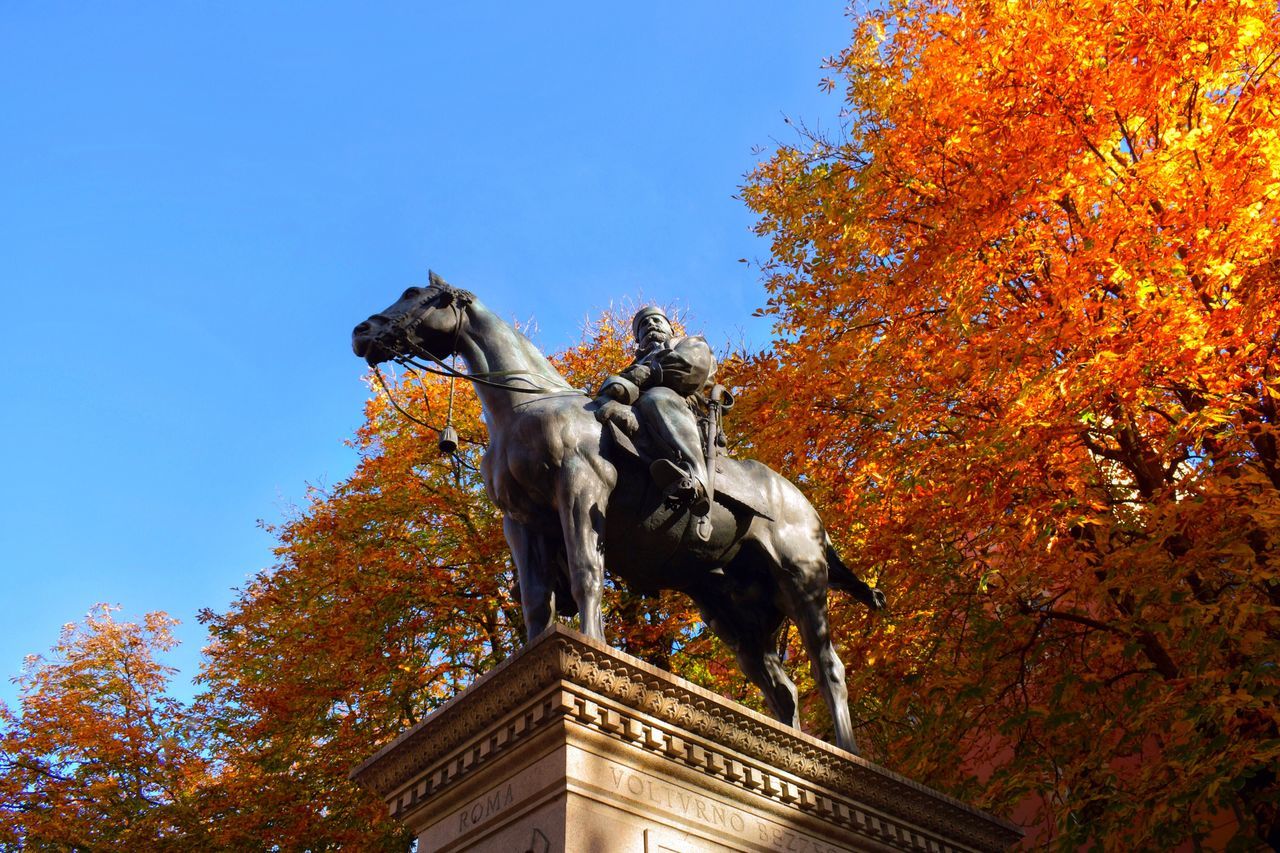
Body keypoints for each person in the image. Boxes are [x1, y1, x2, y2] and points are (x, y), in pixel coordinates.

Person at [594, 306, 716, 516]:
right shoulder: (633, 365)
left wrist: (650, 372)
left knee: (657, 397)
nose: (650, 325)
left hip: (679, 404)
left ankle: (695, 478)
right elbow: (613, 389)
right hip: (636, 409)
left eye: (656, 321)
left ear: (670, 327)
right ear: (637, 338)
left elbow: (689, 370)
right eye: (643, 325)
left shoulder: (690, 343)